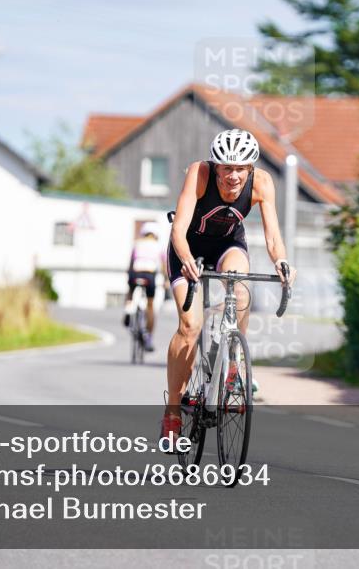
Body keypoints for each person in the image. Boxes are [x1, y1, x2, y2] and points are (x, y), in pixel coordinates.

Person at [161, 129, 296, 445]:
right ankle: (172, 414)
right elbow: (178, 230)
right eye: (226, 168)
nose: (233, 176)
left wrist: (281, 261)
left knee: (240, 288)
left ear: (250, 168)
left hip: (227, 245)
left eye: (240, 168)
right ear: (215, 166)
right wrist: (186, 259)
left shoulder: (261, 183)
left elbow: (273, 236)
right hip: (188, 248)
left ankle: (233, 368)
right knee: (190, 326)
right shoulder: (200, 173)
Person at [123, 223, 163, 351]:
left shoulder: (137, 243)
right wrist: (167, 280)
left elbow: (131, 262)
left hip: (135, 273)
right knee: (150, 305)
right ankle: (149, 338)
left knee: (130, 292)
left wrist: (129, 274)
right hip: (149, 275)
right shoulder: (158, 246)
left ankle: (128, 311)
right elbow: (163, 267)